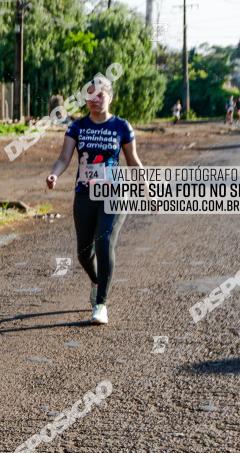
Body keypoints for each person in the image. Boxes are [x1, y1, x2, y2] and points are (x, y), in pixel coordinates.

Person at [45, 76, 144, 325]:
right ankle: (98, 279)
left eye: (100, 94)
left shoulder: (122, 127)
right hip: (84, 195)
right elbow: (64, 158)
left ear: (110, 96)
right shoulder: (77, 127)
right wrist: (54, 174)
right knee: (83, 252)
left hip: (114, 194)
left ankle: (100, 303)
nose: (94, 99)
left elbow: (133, 161)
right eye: (90, 95)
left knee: (105, 242)